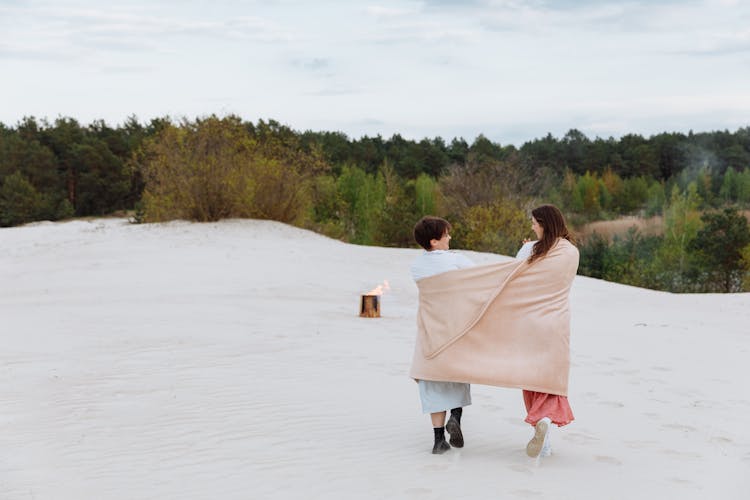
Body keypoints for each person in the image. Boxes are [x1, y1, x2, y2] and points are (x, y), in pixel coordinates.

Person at [515, 204, 576, 459]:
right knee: (552, 378)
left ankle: (543, 434)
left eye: (534, 222)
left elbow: (514, 276)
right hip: (556, 322)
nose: (531, 226)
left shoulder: (530, 250)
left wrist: (525, 248)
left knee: (532, 377)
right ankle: (546, 425)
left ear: (543, 224)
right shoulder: (571, 251)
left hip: (530, 322)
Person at [411, 216, 473, 454]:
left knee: (433, 381)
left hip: (428, 328)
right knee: (457, 375)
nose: (450, 238)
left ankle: (438, 441)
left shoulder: (415, 266)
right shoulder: (456, 260)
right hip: (455, 326)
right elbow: (479, 277)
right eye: (446, 235)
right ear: (434, 241)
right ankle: (455, 418)